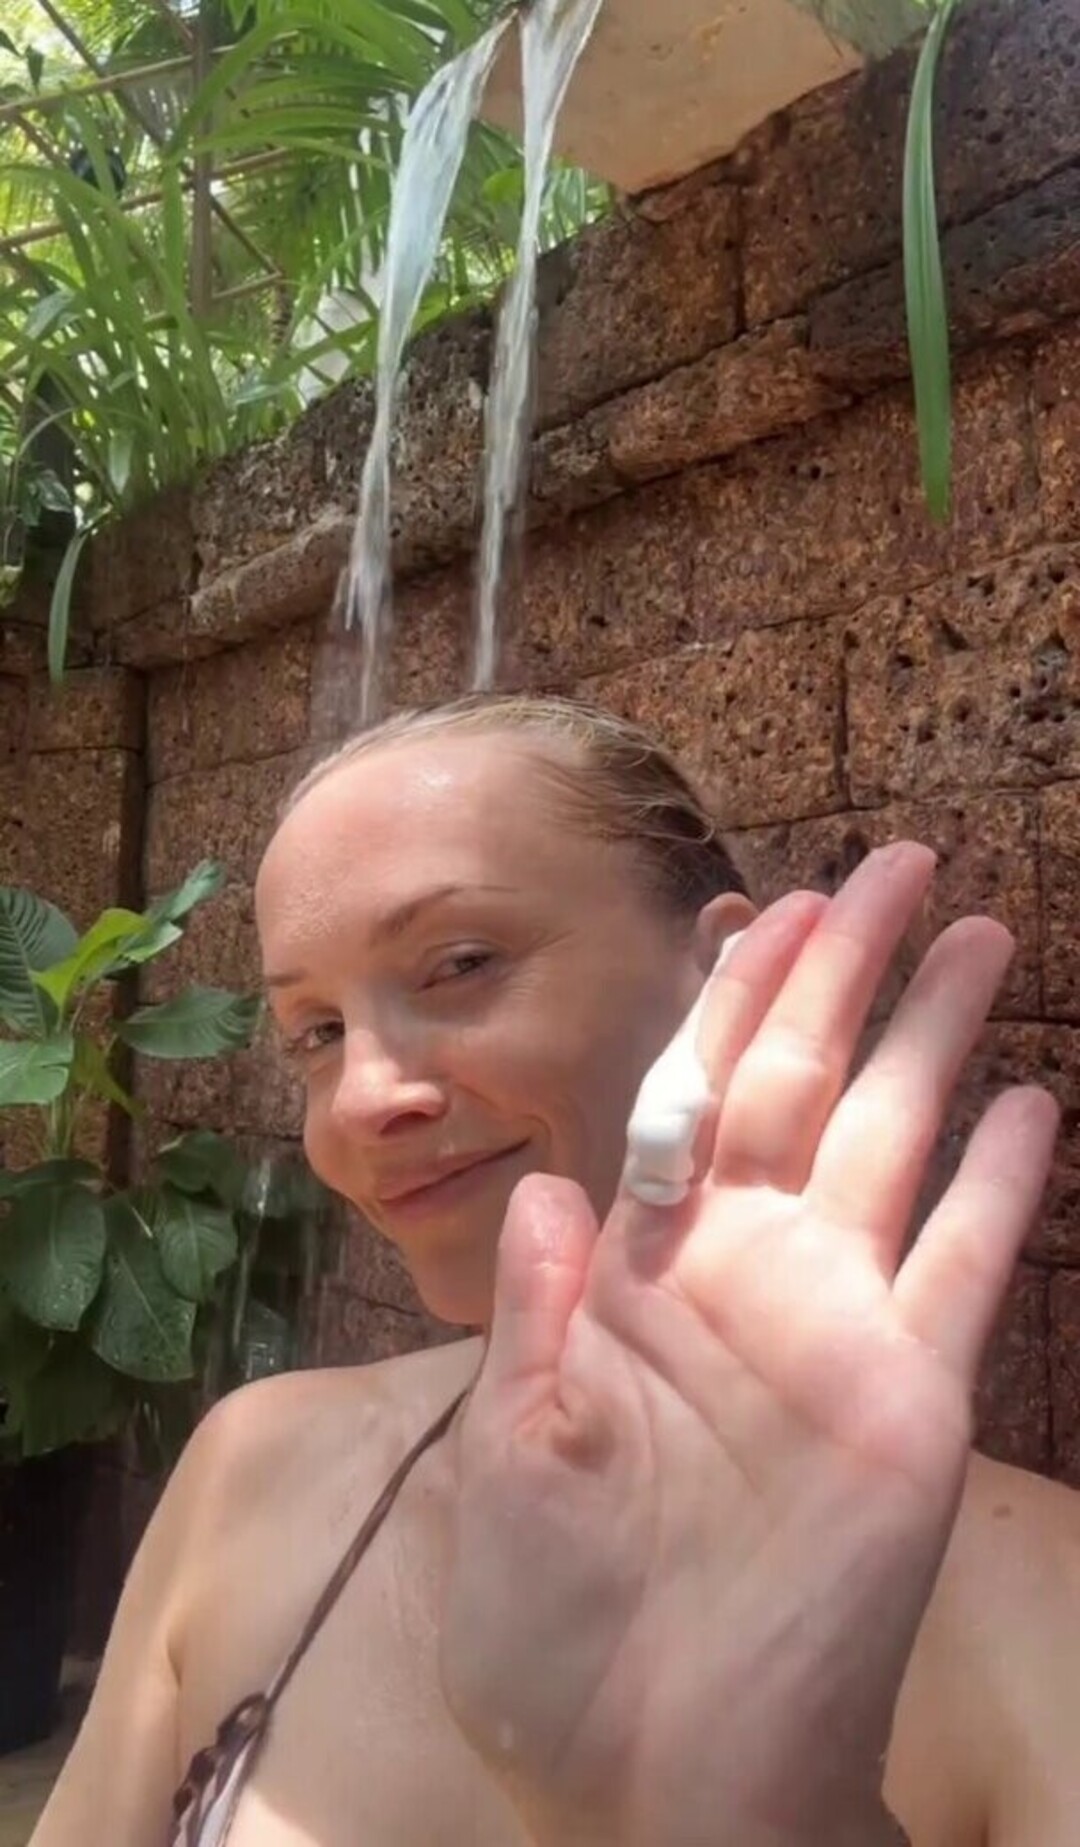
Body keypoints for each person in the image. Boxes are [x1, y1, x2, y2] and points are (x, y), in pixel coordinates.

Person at [30, 692, 1078, 1847]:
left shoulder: (1040, 1608)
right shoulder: (249, 1470)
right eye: (318, 1031)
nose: (365, 1097)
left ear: (722, 966)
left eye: (461, 963)